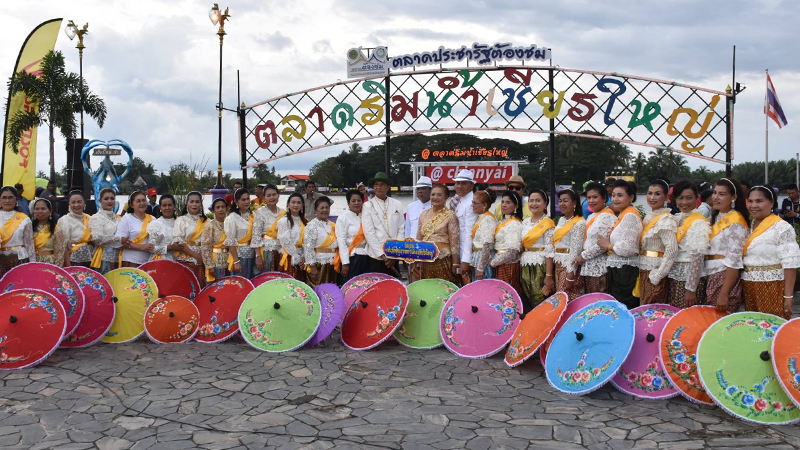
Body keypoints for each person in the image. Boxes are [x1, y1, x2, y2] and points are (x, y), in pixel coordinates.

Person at [742, 186, 800, 319]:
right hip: (749, 286)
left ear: (772, 203)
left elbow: (790, 264)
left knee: (772, 329)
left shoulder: (781, 227)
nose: (753, 205)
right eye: (750, 201)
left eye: (759, 201)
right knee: (754, 330)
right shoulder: (749, 226)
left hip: (773, 287)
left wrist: (788, 296)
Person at [704, 178, 749, 314]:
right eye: (715, 192)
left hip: (723, 277)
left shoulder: (735, 222)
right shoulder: (716, 217)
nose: (716, 197)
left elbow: (734, 261)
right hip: (710, 274)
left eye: (722, 194)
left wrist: (724, 293)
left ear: (734, 197)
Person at [597, 180, 642, 309]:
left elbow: (627, 248)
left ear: (631, 197)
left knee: (624, 306)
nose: (615, 199)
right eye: (614, 195)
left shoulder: (630, 217)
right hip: (619, 268)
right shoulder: (624, 214)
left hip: (625, 270)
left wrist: (607, 245)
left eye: (620, 195)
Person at [667, 181, 711, 308]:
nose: (684, 202)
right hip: (675, 275)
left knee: (687, 316)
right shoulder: (677, 217)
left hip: (689, 278)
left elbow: (698, 257)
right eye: (680, 198)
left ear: (697, 198)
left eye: (689, 198)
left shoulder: (699, 222)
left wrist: (691, 289)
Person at [638, 179, 679, 305]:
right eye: (650, 193)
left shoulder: (666, 219)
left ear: (666, 197)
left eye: (657, 194)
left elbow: (671, 249)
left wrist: (658, 275)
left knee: (652, 310)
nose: (652, 197)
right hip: (643, 269)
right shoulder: (649, 217)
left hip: (655, 270)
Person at [415, 184, 460, 284]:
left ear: (446, 197)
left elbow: (454, 243)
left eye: (439, 195)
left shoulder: (450, 216)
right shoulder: (423, 215)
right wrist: (416, 260)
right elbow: (419, 238)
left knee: (443, 289)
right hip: (425, 259)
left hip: (442, 260)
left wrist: (455, 263)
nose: (435, 197)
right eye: (433, 194)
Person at [575, 182, 615, 294]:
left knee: (599, 301)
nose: (591, 201)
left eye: (595, 197)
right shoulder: (592, 216)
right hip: (588, 264)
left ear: (604, 198)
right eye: (589, 198)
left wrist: (583, 256)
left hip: (599, 266)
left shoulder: (607, 216)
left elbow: (602, 245)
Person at [519, 189, 555, 311]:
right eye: (531, 201)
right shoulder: (525, 222)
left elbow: (549, 251)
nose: (534, 204)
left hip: (540, 266)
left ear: (545, 203)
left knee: (540, 300)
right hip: (524, 265)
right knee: (527, 301)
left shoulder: (548, 223)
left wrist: (549, 276)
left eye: (538, 201)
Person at [361, 172, 404, 276]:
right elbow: (369, 233)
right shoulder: (367, 206)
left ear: (388, 187)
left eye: (381, 184)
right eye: (376, 184)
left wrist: (394, 253)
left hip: (394, 255)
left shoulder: (397, 204)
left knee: (394, 287)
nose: (378, 187)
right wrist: (382, 255)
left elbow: (401, 229)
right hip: (375, 256)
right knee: (377, 288)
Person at [489, 190, 524, 295]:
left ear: (516, 206)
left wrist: (493, 262)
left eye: (508, 203)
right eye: (502, 202)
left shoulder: (514, 224)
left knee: (506, 295)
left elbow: (512, 251)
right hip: (500, 263)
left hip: (507, 265)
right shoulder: (503, 222)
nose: (504, 205)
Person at [554, 189, 586, 300]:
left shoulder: (579, 222)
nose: (562, 204)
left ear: (575, 203)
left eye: (565, 201)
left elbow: (576, 249)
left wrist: (571, 274)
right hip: (558, 264)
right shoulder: (562, 220)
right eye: (560, 201)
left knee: (566, 298)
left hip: (568, 265)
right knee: (559, 297)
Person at [171, 191, 207, 284]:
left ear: (201, 204)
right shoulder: (181, 220)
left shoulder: (207, 221)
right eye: (192, 201)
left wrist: (204, 258)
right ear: (187, 203)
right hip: (186, 259)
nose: (194, 204)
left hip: (204, 260)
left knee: (201, 287)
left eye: (197, 202)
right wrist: (196, 256)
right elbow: (179, 243)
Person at [450, 169, 478, 284]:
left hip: (466, 253)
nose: (460, 186)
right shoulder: (460, 200)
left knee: (468, 285)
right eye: (458, 183)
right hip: (458, 251)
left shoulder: (472, 203)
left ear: (471, 185)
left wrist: (466, 260)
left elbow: (469, 233)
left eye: (464, 183)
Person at [304, 196, 338, 287]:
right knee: (320, 291)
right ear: (315, 211)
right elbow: (308, 248)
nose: (325, 210)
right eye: (322, 208)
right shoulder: (311, 226)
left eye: (327, 208)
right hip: (319, 264)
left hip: (333, 264)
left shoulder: (333, 225)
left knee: (331, 292)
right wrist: (313, 267)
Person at [0, 186, 35, 276]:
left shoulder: (24, 219)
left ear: (16, 200)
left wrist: (33, 265)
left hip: (19, 260)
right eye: (4, 197)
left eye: (10, 197)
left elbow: (29, 244)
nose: (7, 201)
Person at [335, 189, 368, 283]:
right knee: (351, 285)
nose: (356, 203)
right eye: (353, 201)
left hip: (366, 256)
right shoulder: (343, 218)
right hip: (352, 257)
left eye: (359, 201)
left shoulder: (365, 216)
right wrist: (345, 263)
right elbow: (341, 241)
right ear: (348, 203)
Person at [115, 190, 154, 267]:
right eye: (138, 201)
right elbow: (119, 241)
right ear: (131, 205)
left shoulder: (153, 219)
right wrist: (141, 247)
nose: (142, 203)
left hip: (148, 261)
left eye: (143, 200)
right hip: (131, 261)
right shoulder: (126, 219)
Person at [54, 191, 94, 268]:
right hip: (73, 260)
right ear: (69, 204)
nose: (76, 205)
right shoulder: (64, 220)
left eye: (79, 202)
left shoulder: (90, 218)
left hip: (90, 258)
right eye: (73, 202)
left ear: (84, 203)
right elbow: (63, 246)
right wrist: (69, 267)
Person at [252, 184, 285, 275]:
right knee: (267, 278)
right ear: (264, 198)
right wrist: (258, 256)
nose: (272, 197)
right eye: (268, 195)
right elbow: (256, 236)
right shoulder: (260, 212)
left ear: (278, 195)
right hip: (266, 251)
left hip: (281, 251)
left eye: (274, 194)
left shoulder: (284, 213)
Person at [88, 188, 123, 274]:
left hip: (119, 256)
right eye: (106, 199)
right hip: (103, 257)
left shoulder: (118, 218)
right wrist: (117, 239)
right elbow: (97, 239)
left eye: (112, 198)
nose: (109, 201)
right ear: (100, 201)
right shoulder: (96, 218)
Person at [225, 188, 255, 279]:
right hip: (239, 256)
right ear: (236, 201)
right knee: (241, 283)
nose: (246, 202)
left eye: (248, 199)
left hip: (252, 255)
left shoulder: (253, 215)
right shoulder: (232, 218)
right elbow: (231, 241)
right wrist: (236, 261)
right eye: (243, 199)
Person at [277, 192, 307, 281]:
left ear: (302, 205)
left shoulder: (306, 222)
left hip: (302, 258)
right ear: (288, 204)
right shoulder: (284, 221)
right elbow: (285, 242)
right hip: (289, 256)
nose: (295, 205)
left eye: (298, 203)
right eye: (293, 202)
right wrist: (296, 256)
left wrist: (304, 256)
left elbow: (308, 241)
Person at [470, 189, 497, 281]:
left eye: (475, 203)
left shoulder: (488, 219)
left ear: (484, 205)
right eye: (472, 202)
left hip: (483, 259)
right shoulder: (481, 217)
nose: (472, 205)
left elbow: (487, 243)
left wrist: (481, 267)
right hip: (478, 257)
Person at [201, 198, 229, 283]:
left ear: (226, 209)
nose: (220, 209)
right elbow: (205, 246)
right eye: (218, 207)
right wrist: (210, 266)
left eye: (223, 207)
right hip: (215, 260)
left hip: (228, 259)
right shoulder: (210, 225)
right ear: (213, 210)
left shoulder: (230, 223)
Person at [148, 194, 182, 262]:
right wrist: (169, 248)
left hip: (180, 259)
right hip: (161, 260)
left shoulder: (180, 222)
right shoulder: (156, 224)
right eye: (164, 205)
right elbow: (151, 248)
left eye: (170, 205)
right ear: (160, 208)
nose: (167, 208)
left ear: (174, 207)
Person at [31, 198, 57, 265]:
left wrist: (57, 270)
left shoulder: (57, 229)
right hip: (33, 263)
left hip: (51, 264)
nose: (40, 211)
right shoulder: (29, 228)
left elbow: (60, 252)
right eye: (37, 209)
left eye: (43, 209)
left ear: (50, 211)